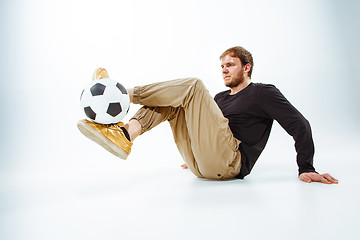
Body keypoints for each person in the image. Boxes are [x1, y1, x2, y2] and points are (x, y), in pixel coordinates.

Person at [77, 46, 338, 184]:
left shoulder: (263, 93)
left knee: (192, 86)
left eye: (230, 65)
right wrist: (198, 151)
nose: (224, 70)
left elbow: (300, 124)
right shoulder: (221, 99)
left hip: (230, 164)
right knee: (174, 100)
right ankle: (124, 134)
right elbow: (208, 130)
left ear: (246, 68)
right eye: (222, 66)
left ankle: (121, 93)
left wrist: (306, 167)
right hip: (202, 164)